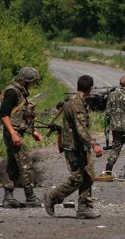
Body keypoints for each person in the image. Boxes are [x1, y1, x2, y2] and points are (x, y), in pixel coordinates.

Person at [45, 75, 103, 219]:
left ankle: (84, 207)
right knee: (78, 178)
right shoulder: (76, 104)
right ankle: (53, 196)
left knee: (88, 176)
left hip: (80, 146)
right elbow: (81, 128)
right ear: (90, 88)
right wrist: (93, 144)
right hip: (73, 148)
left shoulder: (77, 101)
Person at [0, 66, 43, 208]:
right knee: (25, 164)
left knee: (13, 166)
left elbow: (22, 115)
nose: (33, 84)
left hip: (16, 132)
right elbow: (4, 115)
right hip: (13, 133)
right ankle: (30, 197)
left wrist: (33, 131)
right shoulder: (12, 92)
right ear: (26, 81)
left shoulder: (20, 92)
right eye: (33, 81)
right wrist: (13, 134)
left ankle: (8, 197)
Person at [104, 75, 125, 179]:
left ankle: (108, 168)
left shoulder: (112, 95)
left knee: (115, 149)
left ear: (120, 83)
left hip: (115, 127)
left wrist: (106, 127)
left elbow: (107, 113)